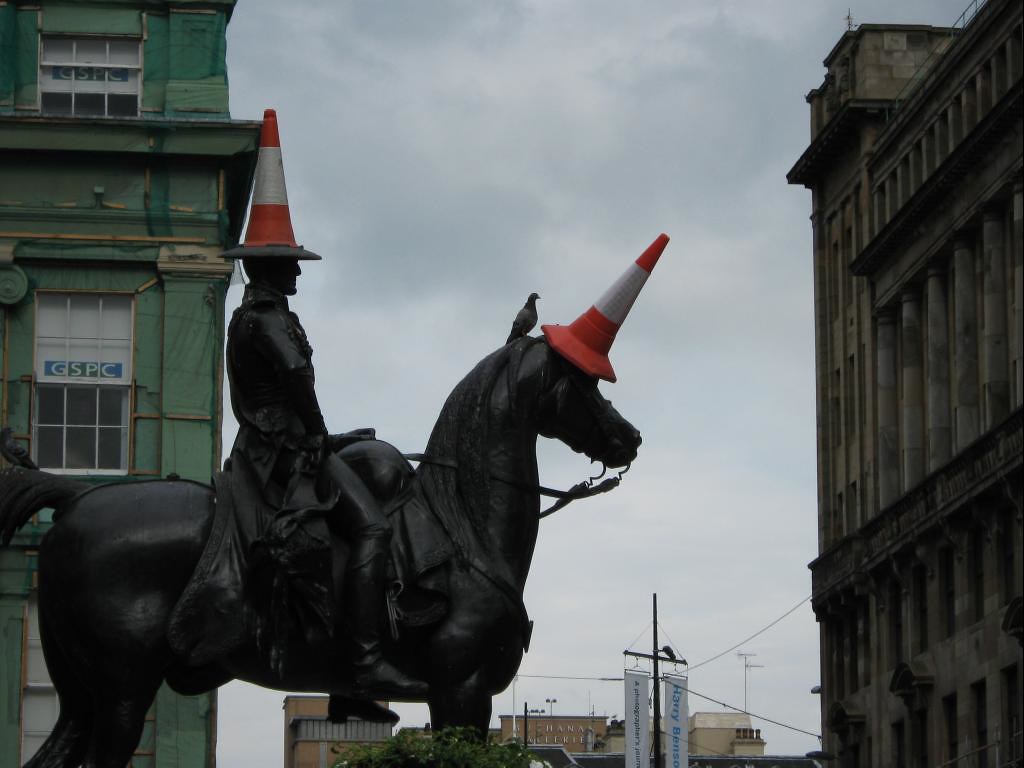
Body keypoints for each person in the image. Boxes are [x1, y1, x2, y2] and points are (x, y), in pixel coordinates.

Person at [226, 255, 421, 697]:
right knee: (373, 527)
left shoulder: (251, 315)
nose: (296, 272)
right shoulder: (266, 317)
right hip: (284, 448)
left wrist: (331, 436)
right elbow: (295, 374)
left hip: (274, 441)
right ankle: (366, 660)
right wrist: (318, 435)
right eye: (290, 265)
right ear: (269, 269)